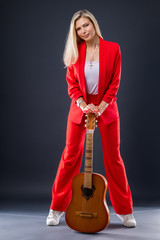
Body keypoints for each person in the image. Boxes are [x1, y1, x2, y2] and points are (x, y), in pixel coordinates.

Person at [46, 9, 136, 228]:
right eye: (78, 28)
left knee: (114, 159)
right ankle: (56, 209)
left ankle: (125, 212)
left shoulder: (113, 48)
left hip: (106, 107)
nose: (83, 31)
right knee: (70, 157)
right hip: (81, 108)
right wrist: (84, 105)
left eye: (85, 25)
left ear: (93, 24)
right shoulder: (75, 51)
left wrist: (101, 107)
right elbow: (72, 85)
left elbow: (114, 83)